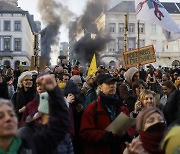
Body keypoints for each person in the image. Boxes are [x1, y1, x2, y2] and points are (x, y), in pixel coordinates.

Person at [0, 74, 70, 154]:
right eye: (1, 116)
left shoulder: (28, 140)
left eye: (11, 115)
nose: (9, 118)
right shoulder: (18, 97)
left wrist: (54, 92)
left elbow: (60, 127)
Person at [80, 73, 132, 154]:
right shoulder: (92, 108)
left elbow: (130, 129)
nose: (112, 86)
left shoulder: (122, 107)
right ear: (100, 87)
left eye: (114, 83)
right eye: (108, 83)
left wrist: (124, 134)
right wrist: (107, 134)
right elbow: (85, 133)